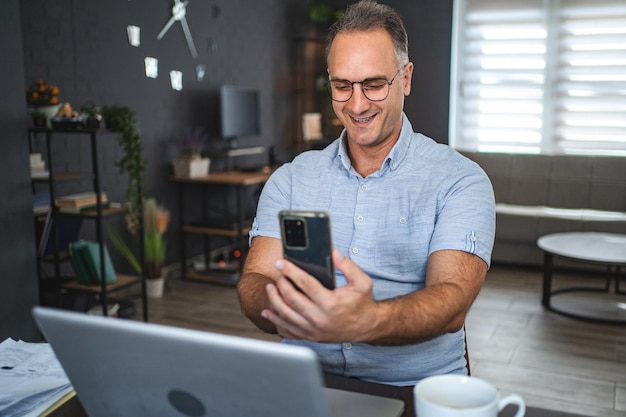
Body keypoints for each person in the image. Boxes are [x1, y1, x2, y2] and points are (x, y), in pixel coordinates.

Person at [237, 0, 495, 386]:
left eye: (374, 84)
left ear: (405, 78)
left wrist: (368, 320)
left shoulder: (460, 181)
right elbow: (253, 279)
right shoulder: (291, 179)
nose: (356, 105)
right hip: (306, 385)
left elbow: (453, 300)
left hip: (415, 390)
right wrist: (286, 306)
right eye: (342, 86)